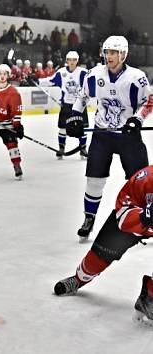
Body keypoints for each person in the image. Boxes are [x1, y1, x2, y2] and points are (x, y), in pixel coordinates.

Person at [65, 35, 152, 241]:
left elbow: (148, 102)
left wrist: (137, 119)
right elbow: (82, 96)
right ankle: (89, 218)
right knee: (94, 179)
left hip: (127, 135)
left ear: (123, 54)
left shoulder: (136, 77)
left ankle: (143, 221)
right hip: (102, 135)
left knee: (139, 180)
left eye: (113, 52)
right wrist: (76, 115)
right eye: (106, 52)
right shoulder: (94, 75)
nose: (109, 56)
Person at [53, 165, 153, 326]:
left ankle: (150, 298)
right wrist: (144, 216)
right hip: (133, 224)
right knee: (95, 261)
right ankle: (79, 279)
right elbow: (123, 213)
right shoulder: (146, 178)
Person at [36, 51, 88, 160]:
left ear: (77, 61)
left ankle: (83, 149)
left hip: (80, 105)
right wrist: (37, 80)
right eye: (70, 60)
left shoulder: (83, 72)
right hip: (66, 105)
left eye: (74, 60)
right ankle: (61, 148)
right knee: (63, 128)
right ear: (67, 61)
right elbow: (50, 80)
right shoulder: (61, 72)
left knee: (82, 128)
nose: (72, 62)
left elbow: (93, 81)